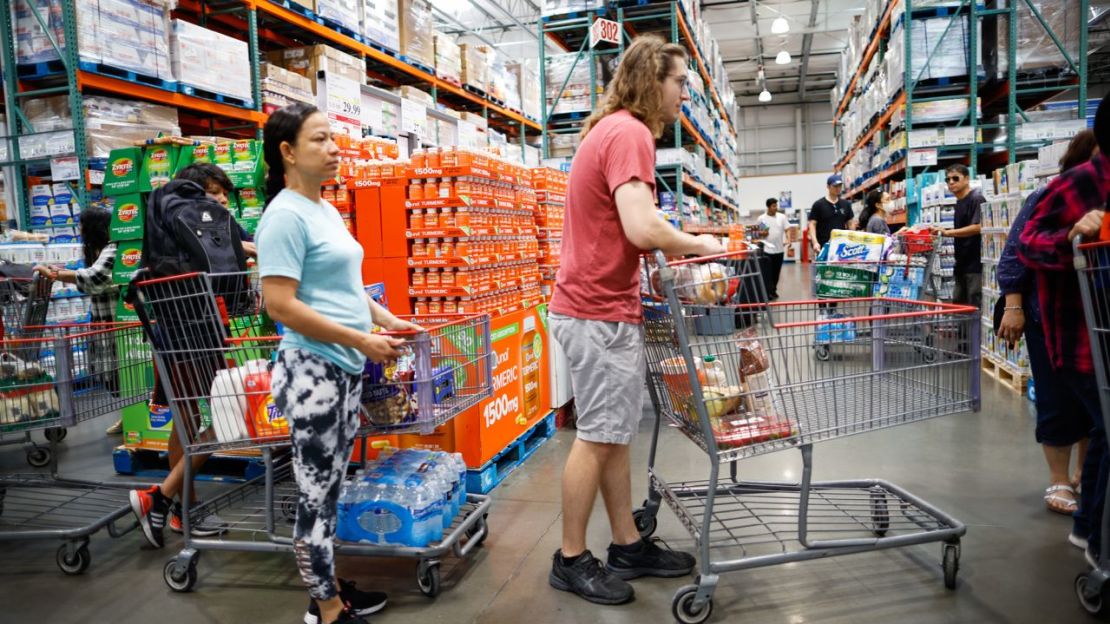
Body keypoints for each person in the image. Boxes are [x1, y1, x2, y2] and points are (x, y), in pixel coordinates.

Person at [546, 34, 725, 606]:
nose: (683, 98)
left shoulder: (612, 131)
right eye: (679, 85)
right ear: (653, 81)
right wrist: (698, 246)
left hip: (598, 306)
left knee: (613, 435)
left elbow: (627, 228)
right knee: (597, 437)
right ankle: (570, 558)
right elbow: (642, 229)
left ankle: (626, 542)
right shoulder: (629, 133)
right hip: (594, 312)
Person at [256, 103, 421, 624]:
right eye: (320, 140)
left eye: (334, 139)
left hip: (342, 366)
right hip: (312, 373)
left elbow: (344, 287)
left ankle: (326, 585)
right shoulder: (283, 216)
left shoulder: (323, 209)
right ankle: (326, 609)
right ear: (287, 152)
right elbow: (280, 305)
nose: (334, 149)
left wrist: (386, 319)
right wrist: (361, 339)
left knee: (330, 486)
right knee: (315, 493)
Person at [1018, 95, 1110, 569]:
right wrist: (1014, 305)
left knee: (1102, 428)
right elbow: (1021, 248)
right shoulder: (1067, 190)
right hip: (1071, 331)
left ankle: (1090, 528)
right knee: (1072, 412)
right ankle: (1092, 531)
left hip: (1091, 332)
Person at [998, 130, 1097, 517]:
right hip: (1049, 316)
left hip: (1096, 319)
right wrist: (1015, 306)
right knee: (1057, 397)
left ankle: (1085, 474)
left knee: (1096, 403)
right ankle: (1059, 477)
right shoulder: (1049, 198)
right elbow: (1013, 255)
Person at [32, 207, 120, 434]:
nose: (79, 230)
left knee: (122, 373)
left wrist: (57, 275)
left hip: (117, 322)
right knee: (106, 372)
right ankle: (129, 415)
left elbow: (96, 277)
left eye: (81, 225)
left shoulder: (114, 248)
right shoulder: (99, 251)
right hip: (103, 321)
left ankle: (134, 416)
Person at [174, 162, 258, 257]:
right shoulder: (174, 226)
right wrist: (233, 246)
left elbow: (251, 244)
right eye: (214, 192)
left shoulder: (228, 222)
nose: (224, 200)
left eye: (226, 194)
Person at [935, 164, 984, 308]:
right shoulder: (960, 202)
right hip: (961, 264)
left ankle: (973, 332)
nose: (951, 182)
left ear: (967, 179)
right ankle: (965, 332)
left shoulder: (976, 199)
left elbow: (978, 227)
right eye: (948, 179)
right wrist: (942, 229)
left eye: (955, 178)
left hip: (975, 265)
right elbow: (965, 228)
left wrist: (949, 233)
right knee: (959, 307)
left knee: (973, 308)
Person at [807, 174, 854, 256]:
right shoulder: (819, 205)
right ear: (828, 187)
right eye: (835, 186)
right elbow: (812, 224)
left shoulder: (845, 204)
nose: (838, 188)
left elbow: (850, 223)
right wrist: (815, 242)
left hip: (842, 247)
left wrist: (853, 241)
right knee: (825, 269)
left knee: (841, 268)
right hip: (823, 246)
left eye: (840, 186)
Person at [758, 197, 789, 299]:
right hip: (767, 250)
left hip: (779, 250)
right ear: (768, 207)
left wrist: (788, 239)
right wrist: (763, 232)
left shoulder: (782, 217)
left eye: (776, 205)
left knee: (776, 273)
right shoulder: (762, 218)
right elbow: (761, 233)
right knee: (768, 273)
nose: (776, 208)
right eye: (774, 206)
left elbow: (787, 229)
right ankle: (769, 292)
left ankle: (773, 290)